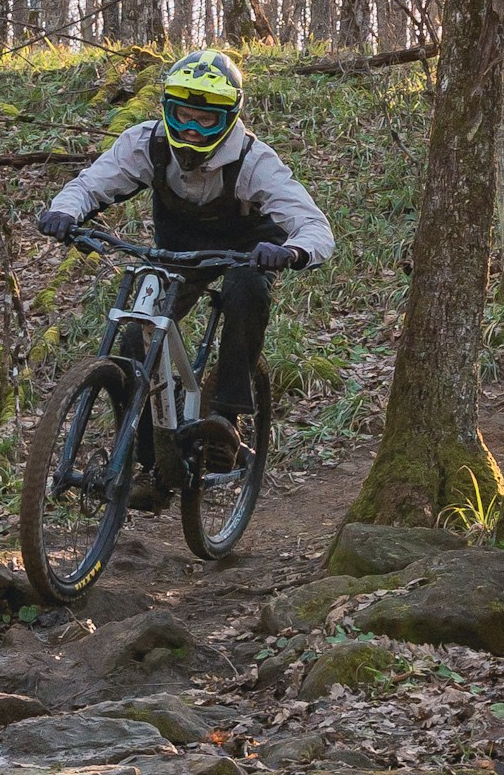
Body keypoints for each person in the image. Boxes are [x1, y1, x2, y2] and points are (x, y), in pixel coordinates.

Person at [36, 49, 333, 474]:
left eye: (206, 120)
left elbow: (313, 226)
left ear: (229, 117)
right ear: (166, 109)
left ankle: (225, 422)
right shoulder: (147, 143)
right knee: (134, 333)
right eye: (183, 115)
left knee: (245, 289)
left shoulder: (253, 161)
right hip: (177, 252)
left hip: (245, 252)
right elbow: (91, 184)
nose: (191, 130)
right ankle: (147, 451)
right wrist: (65, 212)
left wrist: (291, 250)